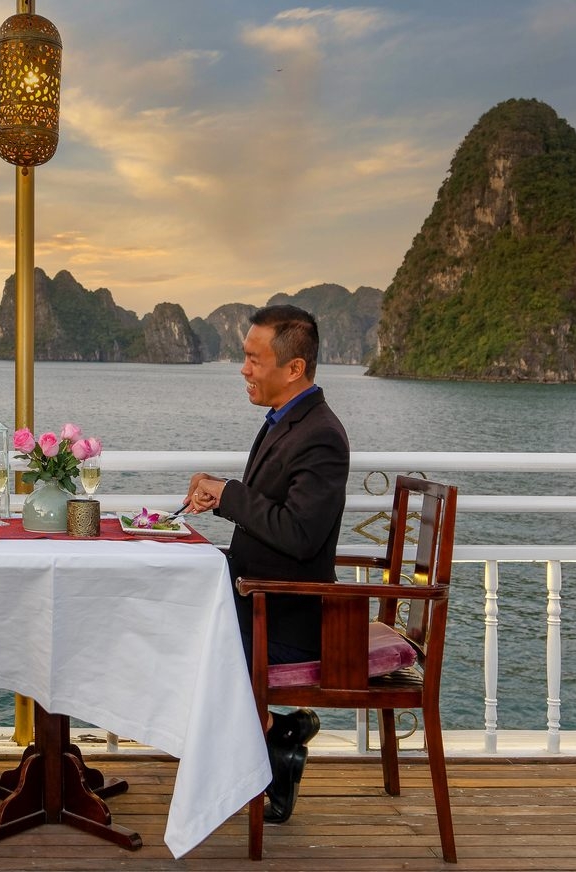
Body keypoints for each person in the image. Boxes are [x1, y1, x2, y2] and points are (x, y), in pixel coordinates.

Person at [184, 304, 349, 825]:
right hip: (256, 593)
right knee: (177, 609)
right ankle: (275, 736)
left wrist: (230, 494)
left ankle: (258, 754)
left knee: (182, 633)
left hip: (283, 615)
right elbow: (271, 511)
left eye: (254, 359)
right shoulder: (286, 422)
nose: (244, 369)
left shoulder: (320, 435)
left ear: (293, 368)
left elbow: (300, 536)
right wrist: (226, 494)